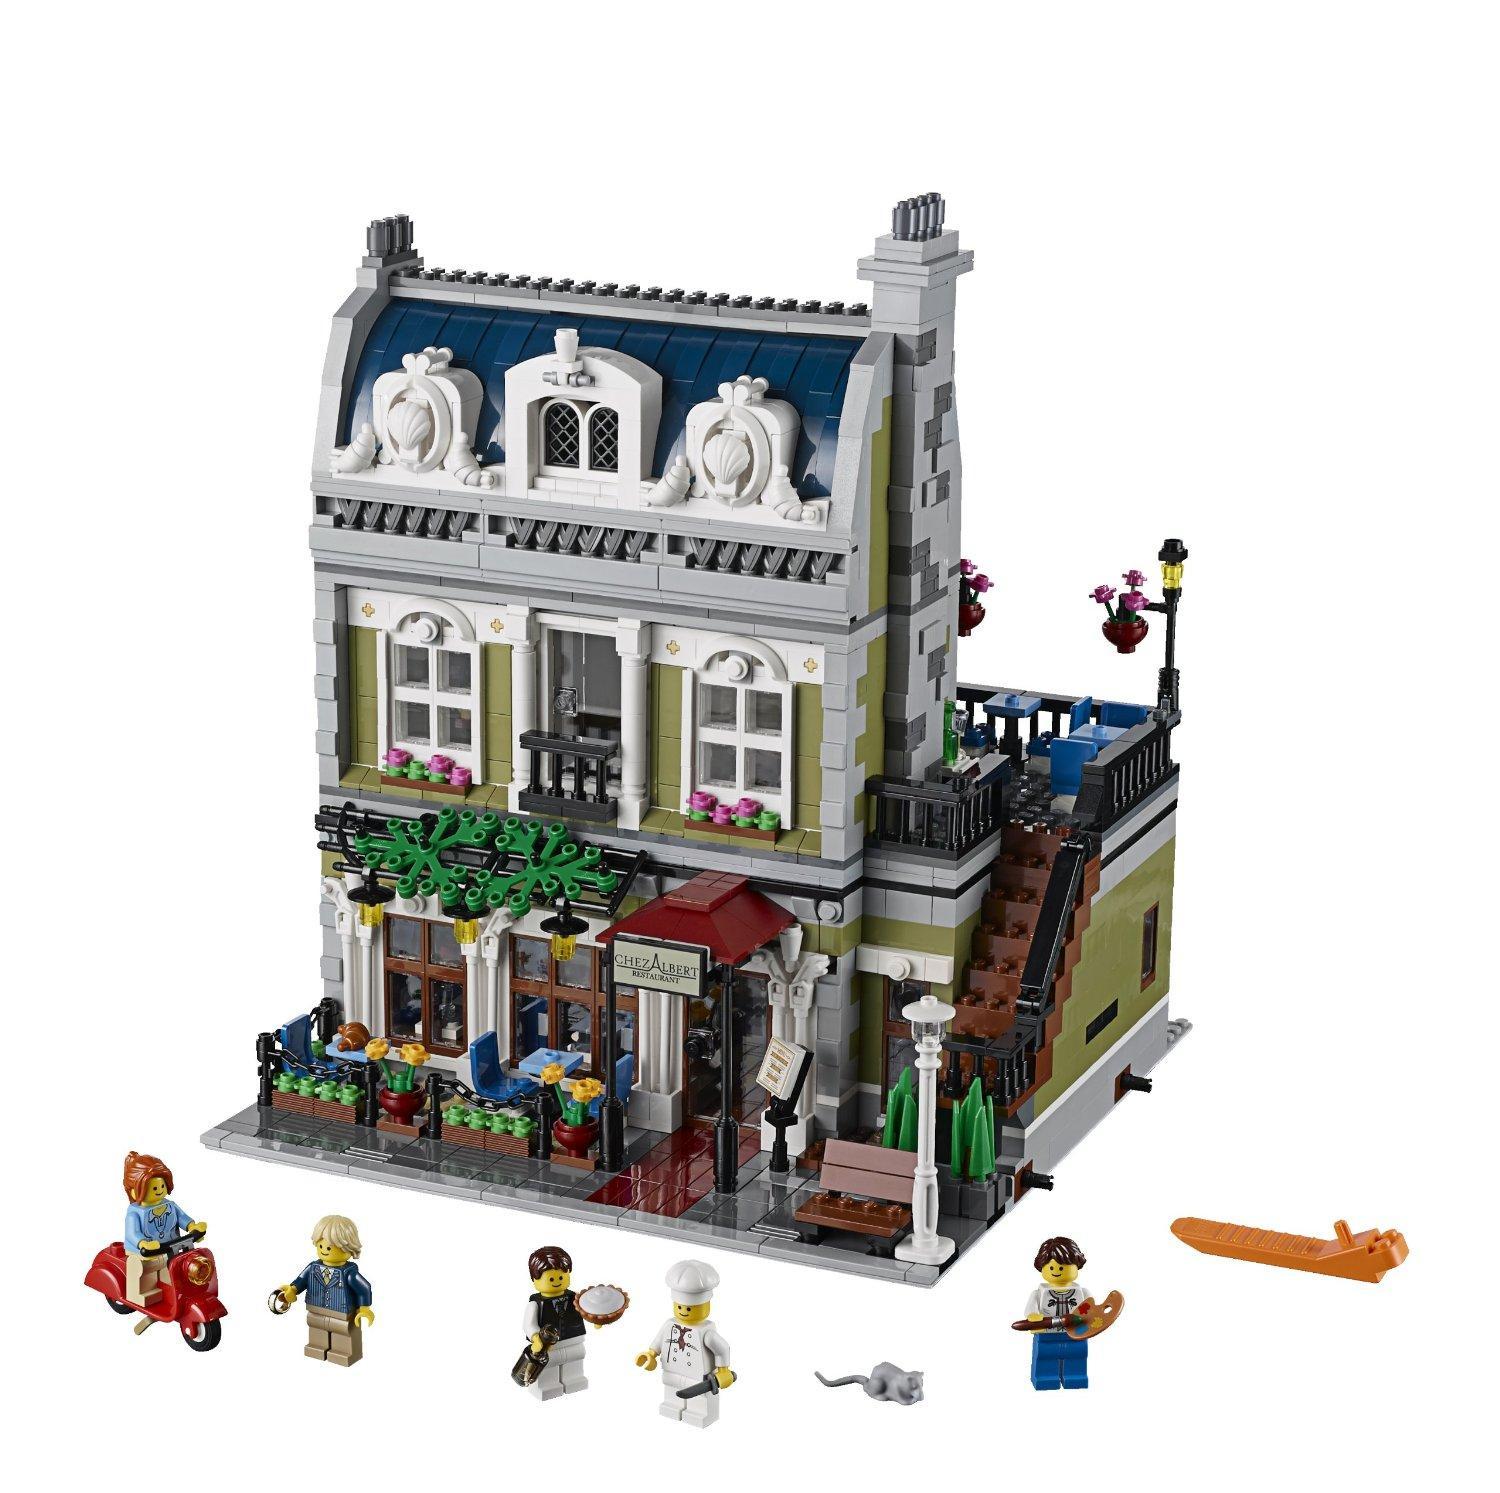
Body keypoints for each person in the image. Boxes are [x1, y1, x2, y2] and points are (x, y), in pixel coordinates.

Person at [636, 1259, 735, 1427]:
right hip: (671, 1372)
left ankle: (700, 1414)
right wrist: (650, 1354)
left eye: (689, 1308)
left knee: (700, 1400)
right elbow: (659, 1341)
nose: (683, 1311)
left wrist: (724, 1371)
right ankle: (672, 1406)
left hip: (699, 1378)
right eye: (680, 1307)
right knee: (671, 1391)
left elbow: (722, 1349)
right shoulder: (669, 1325)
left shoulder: (706, 1332)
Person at [274, 1215, 375, 1367]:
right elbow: (301, 1280)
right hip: (315, 1308)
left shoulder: (349, 1273)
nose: (324, 1250)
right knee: (316, 1327)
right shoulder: (313, 1268)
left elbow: (364, 1288)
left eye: (329, 1248)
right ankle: (317, 1347)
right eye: (320, 1246)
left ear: (348, 1248)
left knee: (343, 1330)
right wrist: (292, 1290)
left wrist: (364, 1308)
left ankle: (343, 1352)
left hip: (341, 1312)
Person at [121, 1152, 204, 1309]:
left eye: (162, 1186)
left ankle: (172, 1296)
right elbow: (132, 1233)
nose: (159, 1190)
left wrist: (192, 1226)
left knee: (177, 1271)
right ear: (134, 1191)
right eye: (153, 1187)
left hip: (172, 1247)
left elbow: (182, 1217)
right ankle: (139, 1296)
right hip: (145, 1252)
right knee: (147, 1270)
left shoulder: (169, 1205)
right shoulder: (135, 1212)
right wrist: (143, 1243)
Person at [520, 1245, 589, 1399]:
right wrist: (536, 1337)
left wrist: (594, 1318)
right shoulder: (535, 1304)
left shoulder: (576, 1298)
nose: (557, 1281)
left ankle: (574, 1380)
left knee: (575, 1362)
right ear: (534, 1279)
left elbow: (586, 1311)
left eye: (562, 1276)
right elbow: (528, 1325)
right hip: (548, 1348)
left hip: (574, 1341)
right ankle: (547, 1386)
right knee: (548, 1367)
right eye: (551, 1278)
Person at [1025, 1236, 1091, 1389]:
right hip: (1047, 1334)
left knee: (1077, 1355)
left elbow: (1092, 1309)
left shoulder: (1082, 1292)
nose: (1056, 1271)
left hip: (1076, 1333)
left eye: (1062, 1267)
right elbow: (1031, 1310)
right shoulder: (1038, 1294)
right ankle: (1045, 1378)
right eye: (1051, 1267)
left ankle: (1075, 1376)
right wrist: (1034, 1317)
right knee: (1045, 1356)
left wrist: (1089, 1318)